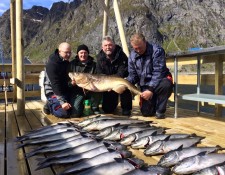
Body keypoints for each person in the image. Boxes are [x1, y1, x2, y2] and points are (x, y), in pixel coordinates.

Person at [126, 33, 173, 119]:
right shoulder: (132, 56)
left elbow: (158, 72)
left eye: (140, 47)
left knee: (166, 84)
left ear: (145, 42)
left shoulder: (157, 51)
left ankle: (160, 111)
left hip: (160, 81)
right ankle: (153, 102)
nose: (138, 50)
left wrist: (150, 90)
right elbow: (133, 75)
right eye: (135, 49)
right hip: (145, 85)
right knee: (146, 113)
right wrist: (125, 83)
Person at [96, 35, 132, 116]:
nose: (108, 47)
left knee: (125, 85)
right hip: (106, 85)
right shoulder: (99, 58)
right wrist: (107, 85)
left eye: (110, 45)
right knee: (108, 109)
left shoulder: (122, 56)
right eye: (106, 45)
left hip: (120, 81)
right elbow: (99, 73)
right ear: (102, 47)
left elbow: (122, 72)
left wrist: (112, 83)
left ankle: (126, 108)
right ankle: (113, 103)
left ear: (114, 46)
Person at [68, 44, 102, 116]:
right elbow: (67, 82)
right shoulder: (71, 64)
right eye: (81, 53)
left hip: (92, 89)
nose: (83, 55)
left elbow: (99, 77)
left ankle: (95, 108)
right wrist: (71, 84)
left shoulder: (94, 65)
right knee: (75, 114)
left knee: (97, 90)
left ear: (88, 53)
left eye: (85, 53)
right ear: (78, 54)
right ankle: (80, 107)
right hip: (77, 91)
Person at [42, 42, 73, 118]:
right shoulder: (52, 64)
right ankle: (49, 105)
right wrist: (63, 103)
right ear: (59, 51)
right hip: (53, 92)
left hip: (64, 90)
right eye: (66, 52)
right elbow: (55, 84)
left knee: (74, 110)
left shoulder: (66, 61)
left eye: (70, 52)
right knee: (64, 113)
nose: (68, 55)